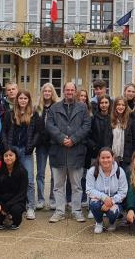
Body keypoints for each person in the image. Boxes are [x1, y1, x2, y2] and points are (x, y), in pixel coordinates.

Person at [46, 81, 91, 223]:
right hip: (58, 151)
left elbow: (86, 125)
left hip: (76, 151)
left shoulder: (83, 108)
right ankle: (59, 211)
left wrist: (73, 139)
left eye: (72, 90)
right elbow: (49, 125)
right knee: (58, 185)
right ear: (63, 91)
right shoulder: (54, 108)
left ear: (75, 91)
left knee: (77, 186)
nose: (69, 92)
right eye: (67, 90)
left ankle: (76, 211)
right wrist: (61, 138)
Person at [1, 89, 39, 220]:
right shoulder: (9, 114)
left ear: (28, 100)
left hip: (26, 151)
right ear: (17, 100)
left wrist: (31, 146)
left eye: (25, 98)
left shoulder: (34, 115)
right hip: (12, 151)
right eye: (20, 98)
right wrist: (7, 148)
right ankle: (16, 206)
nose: (23, 100)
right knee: (12, 179)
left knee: (29, 180)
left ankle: (30, 207)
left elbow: (37, 133)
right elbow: (4, 132)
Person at [85, 147, 128, 233]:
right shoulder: (92, 171)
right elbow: (89, 190)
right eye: (103, 158)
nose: (105, 160)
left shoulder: (120, 171)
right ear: (99, 158)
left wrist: (111, 201)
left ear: (113, 158)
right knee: (94, 204)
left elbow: (123, 192)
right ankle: (99, 222)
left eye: (108, 157)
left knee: (113, 211)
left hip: (115, 200)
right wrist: (104, 198)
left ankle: (112, 222)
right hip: (99, 199)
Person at [0, 147, 29, 230]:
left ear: (16, 157)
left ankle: (15, 221)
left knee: (16, 210)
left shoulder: (23, 172)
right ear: (3, 158)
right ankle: (1, 221)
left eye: (11, 155)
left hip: (17, 200)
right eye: (6, 156)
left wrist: (6, 207)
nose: (8, 158)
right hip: (2, 199)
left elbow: (22, 193)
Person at [34, 83, 58, 210]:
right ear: (42, 93)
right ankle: (40, 199)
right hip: (41, 145)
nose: (47, 93)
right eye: (45, 91)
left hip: (54, 144)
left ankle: (53, 199)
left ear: (52, 93)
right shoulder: (37, 108)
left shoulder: (57, 107)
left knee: (54, 173)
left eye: (49, 91)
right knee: (41, 173)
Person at [109, 97, 135, 172]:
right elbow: (106, 140)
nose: (120, 107)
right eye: (118, 104)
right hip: (112, 158)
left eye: (123, 105)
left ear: (126, 107)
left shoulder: (132, 121)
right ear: (115, 106)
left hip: (127, 159)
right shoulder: (109, 120)